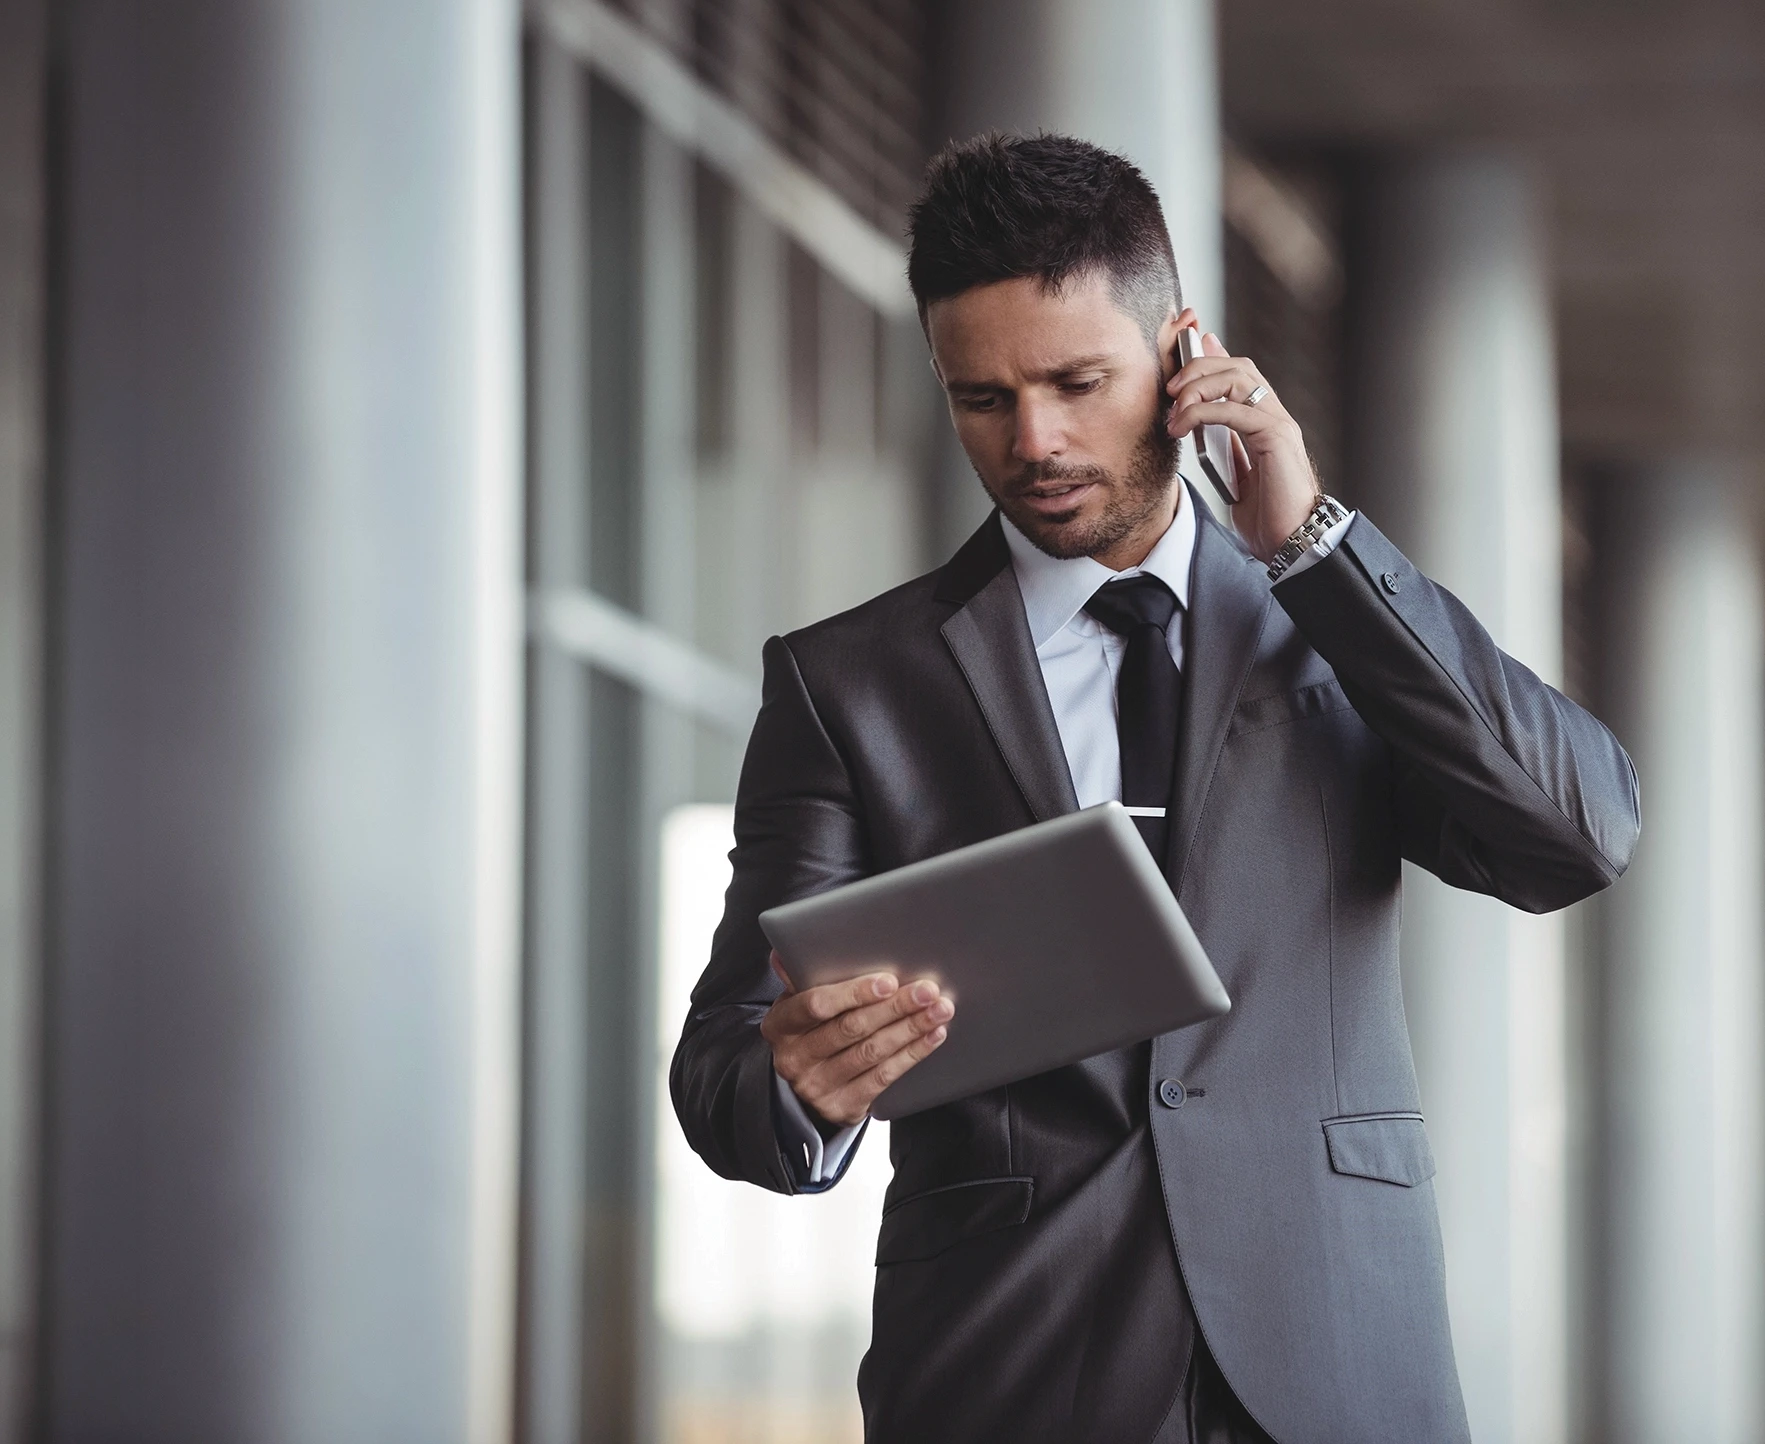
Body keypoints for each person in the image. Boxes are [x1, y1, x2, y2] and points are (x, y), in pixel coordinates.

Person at [668, 132, 1639, 1444]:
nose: (1035, 442)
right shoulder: (853, 684)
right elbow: (728, 1064)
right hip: (1013, 1366)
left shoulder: (1330, 630)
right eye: (981, 399)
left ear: (1183, 356)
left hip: (1332, 1358)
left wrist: (1314, 547)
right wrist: (797, 1081)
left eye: (1077, 382)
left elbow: (1574, 836)